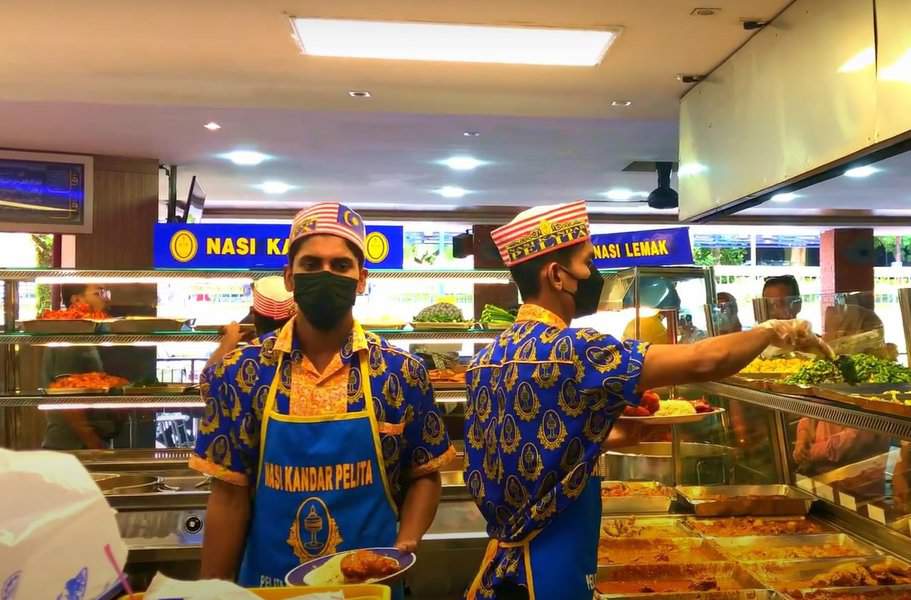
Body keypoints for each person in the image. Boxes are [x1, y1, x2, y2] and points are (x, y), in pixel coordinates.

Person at [463, 201, 825, 600]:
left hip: (505, 559)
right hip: (551, 562)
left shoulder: (487, 359)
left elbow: (536, 447)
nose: (593, 275)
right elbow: (706, 361)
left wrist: (608, 434)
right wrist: (773, 330)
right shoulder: (576, 348)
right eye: (586, 263)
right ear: (556, 276)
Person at [190, 203, 454, 594]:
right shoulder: (241, 373)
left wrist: (405, 545)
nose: (326, 275)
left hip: (371, 589)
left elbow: (424, 474)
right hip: (270, 588)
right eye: (311, 265)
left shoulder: (401, 372)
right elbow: (228, 498)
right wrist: (211, 591)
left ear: (361, 279)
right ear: (290, 277)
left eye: (341, 265)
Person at [42, 284, 124, 450]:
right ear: (77, 300)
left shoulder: (86, 335)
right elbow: (68, 398)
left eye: (106, 291)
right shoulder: (71, 337)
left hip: (80, 445)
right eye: (98, 293)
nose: (106, 298)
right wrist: (94, 445)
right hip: (72, 448)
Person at [205, 275, 296, 369]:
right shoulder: (304, 349)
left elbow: (207, 379)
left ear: (254, 313)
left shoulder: (247, 357)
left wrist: (229, 341)